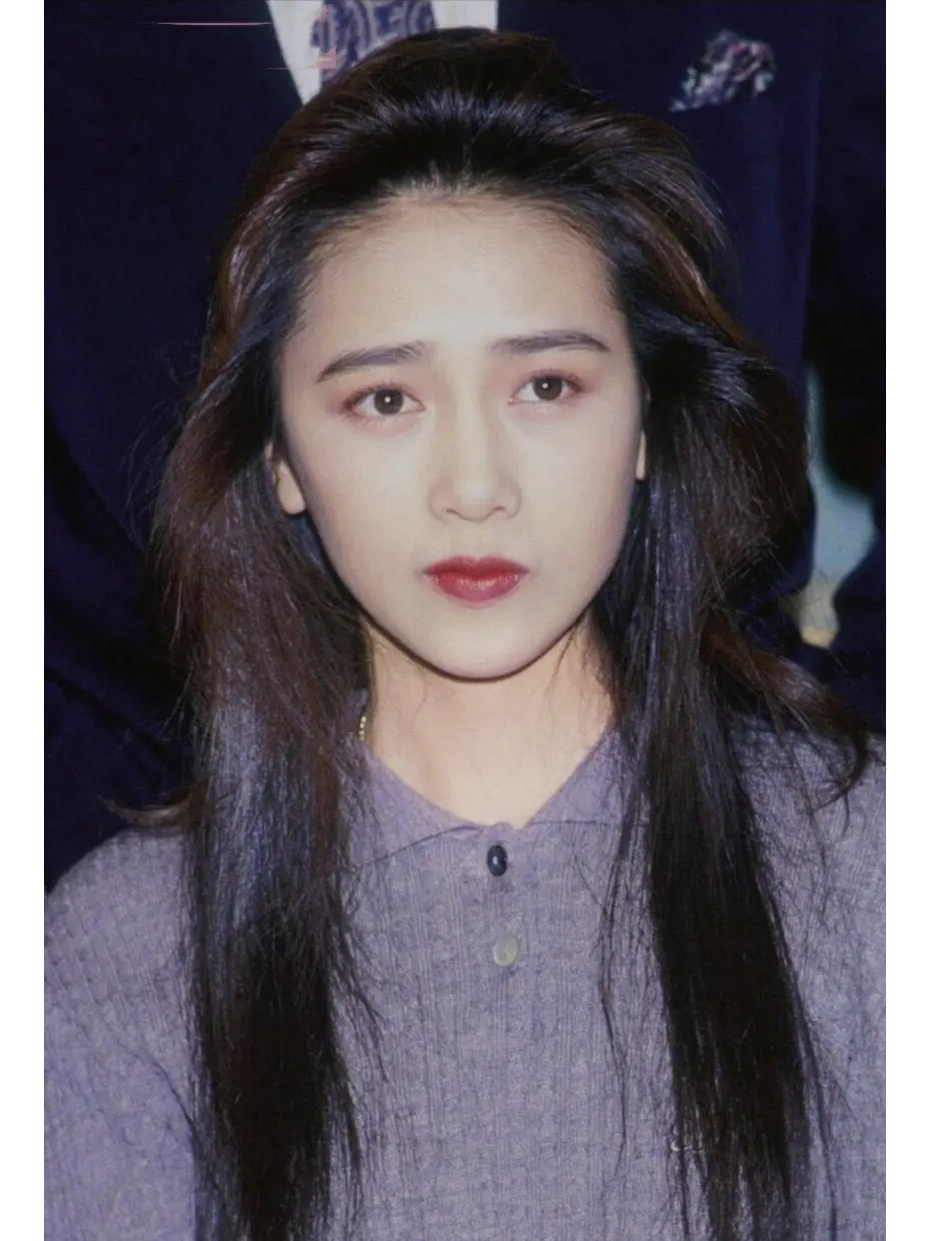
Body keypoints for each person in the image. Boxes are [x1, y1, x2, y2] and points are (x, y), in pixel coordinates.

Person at [45, 28, 884, 1241]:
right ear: (280, 458)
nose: (475, 486)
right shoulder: (115, 957)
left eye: (546, 385)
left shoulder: (863, 870)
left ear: (648, 421)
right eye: (386, 399)